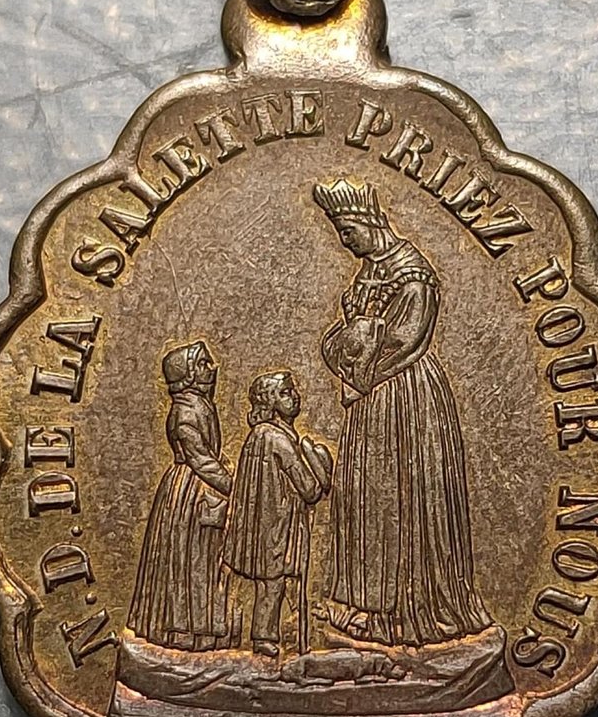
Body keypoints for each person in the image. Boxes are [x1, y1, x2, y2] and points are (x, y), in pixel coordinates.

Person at [313, 179, 491, 647]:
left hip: (405, 396)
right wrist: (349, 344)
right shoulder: (370, 271)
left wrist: (356, 355)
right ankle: (366, 605)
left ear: (370, 221)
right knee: (368, 495)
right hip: (370, 400)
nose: (345, 243)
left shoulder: (413, 275)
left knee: (403, 497)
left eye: (348, 232)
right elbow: (348, 335)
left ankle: (411, 610)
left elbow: (404, 340)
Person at [127, 340, 231, 651]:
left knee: (202, 560)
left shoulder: (200, 405)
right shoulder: (185, 412)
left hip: (201, 488)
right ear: (187, 374)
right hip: (188, 493)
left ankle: (200, 630)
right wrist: (236, 487)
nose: (211, 368)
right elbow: (200, 460)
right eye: (203, 364)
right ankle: (180, 631)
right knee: (187, 560)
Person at [221, 371, 332, 657]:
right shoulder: (279, 440)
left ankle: (271, 637)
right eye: (285, 392)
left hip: (263, 527)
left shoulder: (257, 436)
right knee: (274, 585)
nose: (294, 396)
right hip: (278, 529)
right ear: (269, 402)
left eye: (293, 390)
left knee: (270, 585)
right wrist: (321, 464)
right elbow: (309, 489)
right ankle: (267, 638)